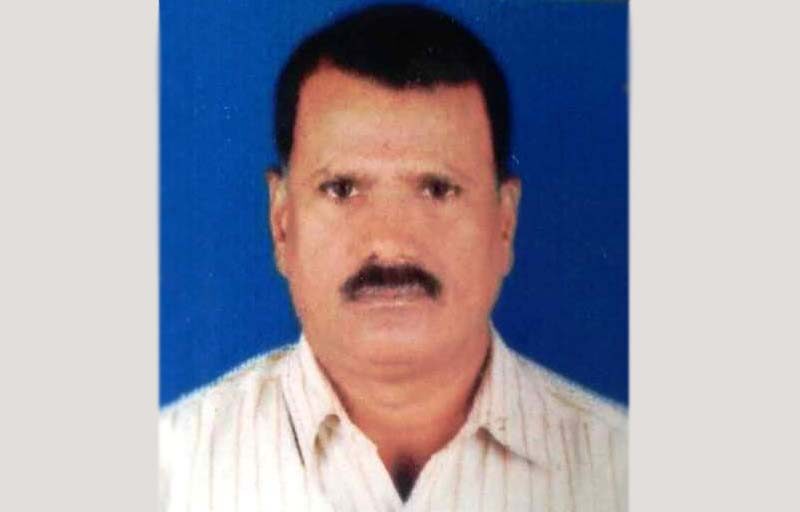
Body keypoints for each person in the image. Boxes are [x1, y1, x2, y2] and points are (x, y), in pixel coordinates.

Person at [159, 4, 627, 511]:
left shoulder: (627, 472)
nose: (390, 243)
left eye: (437, 189)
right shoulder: (166, 473)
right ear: (282, 222)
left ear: (504, 224)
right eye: (342, 189)